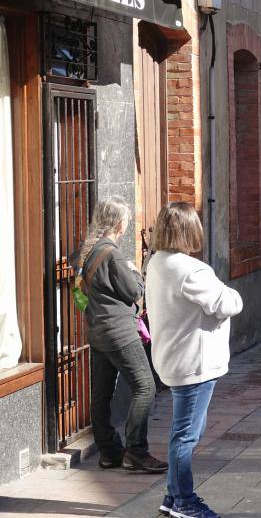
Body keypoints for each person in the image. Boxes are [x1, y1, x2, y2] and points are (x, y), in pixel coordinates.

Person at [146, 202, 243, 518]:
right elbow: (227, 303)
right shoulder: (191, 270)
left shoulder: (157, 262)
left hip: (174, 358)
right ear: (189, 230)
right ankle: (184, 501)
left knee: (186, 431)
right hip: (194, 361)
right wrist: (228, 291)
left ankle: (172, 497)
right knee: (186, 435)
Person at [75, 196, 167, 473]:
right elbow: (134, 292)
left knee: (101, 393)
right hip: (119, 332)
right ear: (119, 223)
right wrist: (138, 274)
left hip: (98, 331)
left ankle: (109, 451)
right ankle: (136, 451)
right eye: (126, 219)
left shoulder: (88, 250)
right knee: (145, 386)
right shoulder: (113, 254)